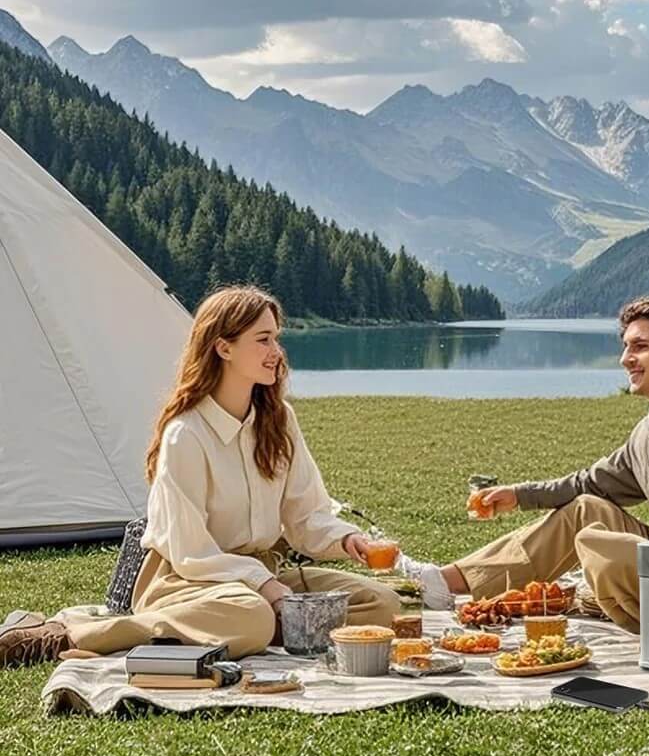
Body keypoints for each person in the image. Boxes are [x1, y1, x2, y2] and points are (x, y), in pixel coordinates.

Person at [0, 285, 427, 669]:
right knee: (254, 616)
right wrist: (267, 589)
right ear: (223, 348)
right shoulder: (186, 433)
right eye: (263, 339)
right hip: (188, 580)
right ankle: (70, 633)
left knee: (382, 604)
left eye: (276, 338)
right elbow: (190, 549)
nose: (276, 351)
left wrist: (344, 540)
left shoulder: (279, 421)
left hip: (266, 574)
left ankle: (251, 632)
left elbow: (306, 514)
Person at [400, 296, 649, 633]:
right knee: (587, 512)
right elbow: (590, 484)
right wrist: (518, 495)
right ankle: (448, 583)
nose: (626, 359)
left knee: (599, 544)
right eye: (625, 347)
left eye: (640, 347)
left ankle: (612, 597)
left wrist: (633, 555)